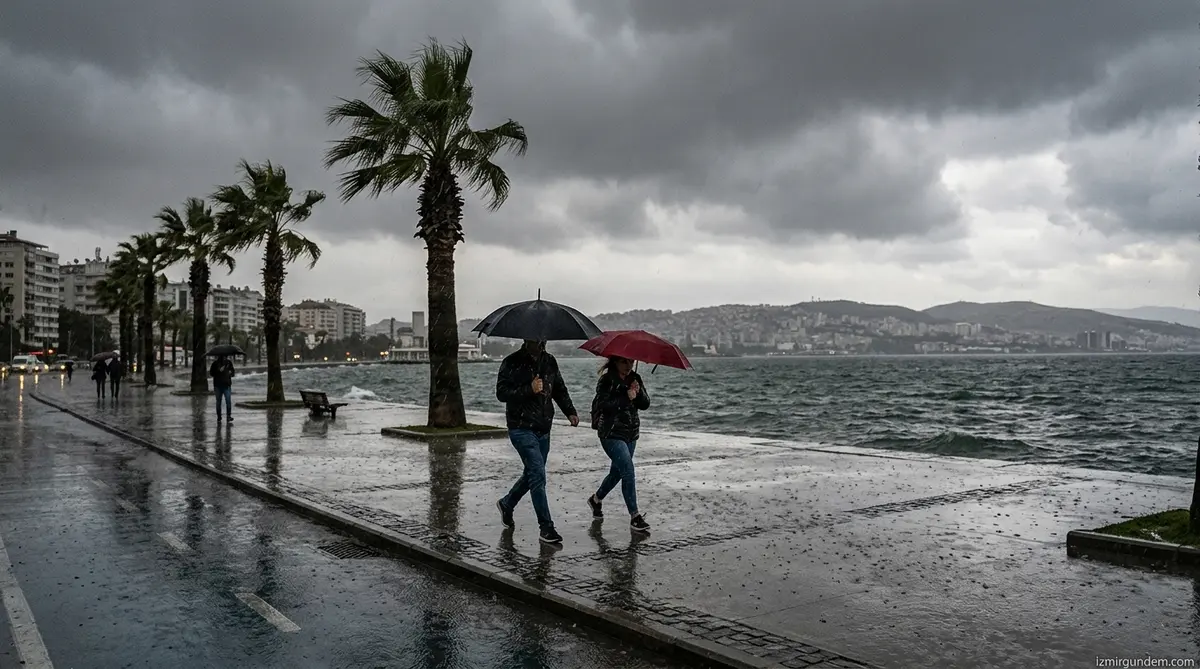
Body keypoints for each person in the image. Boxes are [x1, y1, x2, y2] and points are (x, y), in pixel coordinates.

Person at [495, 339, 579, 545]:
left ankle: (507, 503)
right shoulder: (511, 362)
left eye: (543, 339)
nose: (541, 343)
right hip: (521, 428)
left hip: (543, 428)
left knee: (532, 474)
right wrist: (528, 389)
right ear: (525, 339)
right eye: (536, 339)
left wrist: (570, 411)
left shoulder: (549, 361)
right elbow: (501, 393)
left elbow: (559, 388)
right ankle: (546, 528)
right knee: (538, 475)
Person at [587, 356, 651, 532]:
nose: (629, 365)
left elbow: (645, 404)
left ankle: (596, 499)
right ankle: (635, 516)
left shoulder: (635, 378)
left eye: (631, 361)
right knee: (628, 471)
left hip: (631, 433)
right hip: (611, 433)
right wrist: (626, 397)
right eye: (624, 362)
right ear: (615, 362)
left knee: (617, 472)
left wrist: (638, 394)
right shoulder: (606, 380)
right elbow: (603, 404)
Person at [210, 354, 235, 422]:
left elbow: (233, 372)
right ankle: (219, 417)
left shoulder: (229, 363)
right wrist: (219, 371)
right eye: (222, 356)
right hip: (218, 386)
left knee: (228, 401)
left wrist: (231, 372)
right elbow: (211, 373)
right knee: (218, 402)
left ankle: (228, 416)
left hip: (227, 385)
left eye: (225, 357)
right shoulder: (215, 364)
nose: (224, 358)